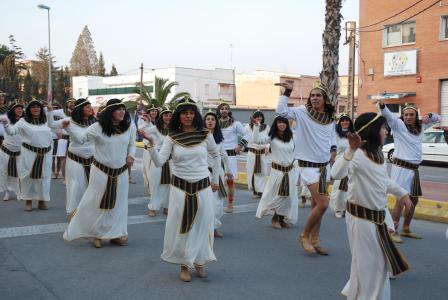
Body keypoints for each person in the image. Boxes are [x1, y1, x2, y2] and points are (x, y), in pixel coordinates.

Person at [331, 112, 412, 300]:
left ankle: (358, 293)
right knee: (371, 266)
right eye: (384, 128)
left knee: (376, 265)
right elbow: (335, 173)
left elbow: (383, 181)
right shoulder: (357, 155)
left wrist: (403, 194)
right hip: (360, 220)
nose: (386, 132)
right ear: (373, 130)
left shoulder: (377, 154)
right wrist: (350, 151)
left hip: (377, 217)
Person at [141, 97, 220, 282]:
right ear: (179, 115)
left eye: (191, 112)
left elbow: (216, 156)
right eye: (184, 113)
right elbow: (160, 161)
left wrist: (215, 179)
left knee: (203, 224)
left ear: (196, 114)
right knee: (182, 226)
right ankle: (184, 264)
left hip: (202, 186)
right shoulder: (172, 137)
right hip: (180, 188)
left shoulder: (205, 134)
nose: (188, 116)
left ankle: (200, 261)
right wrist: (152, 146)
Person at [62, 99, 136, 248]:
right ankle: (96, 233)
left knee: (119, 204)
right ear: (110, 112)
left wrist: (131, 155)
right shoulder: (97, 127)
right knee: (97, 202)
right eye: (118, 109)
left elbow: (132, 144)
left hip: (120, 172)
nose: (122, 112)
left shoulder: (129, 127)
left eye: (123, 109)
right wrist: (69, 128)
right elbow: (81, 139)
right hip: (101, 171)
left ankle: (115, 234)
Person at [276, 83, 337, 255]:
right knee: (324, 203)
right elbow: (281, 111)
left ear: (325, 99)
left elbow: (331, 138)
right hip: (307, 166)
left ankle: (315, 239)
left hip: (324, 166)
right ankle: (304, 236)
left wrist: (333, 152)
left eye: (318, 95)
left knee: (316, 205)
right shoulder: (302, 112)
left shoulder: (330, 118)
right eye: (312, 95)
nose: (315, 98)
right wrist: (287, 92)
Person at [379, 102, 441, 241]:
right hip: (401, 168)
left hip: (414, 170)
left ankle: (406, 228)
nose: (408, 117)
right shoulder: (398, 126)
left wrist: (429, 115)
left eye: (411, 114)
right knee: (401, 201)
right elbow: (388, 116)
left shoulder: (421, 126)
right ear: (403, 116)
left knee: (414, 200)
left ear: (416, 115)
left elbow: (439, 118)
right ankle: (392, 231)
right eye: (406, 114)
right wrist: (383, 106)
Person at [47, 98, 96, 221]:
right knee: (76, 187)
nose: (91, 109)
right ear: (80, 109)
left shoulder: (95, 122)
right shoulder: (69, 121)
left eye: (91, 106)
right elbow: (51, 125)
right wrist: (49, 112)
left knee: (91, 187)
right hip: (75, 159)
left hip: (93, 160)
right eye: (87, 107)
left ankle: (88, 213)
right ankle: (74, 213)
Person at [0, 100, 53, 211]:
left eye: (38, 107)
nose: (36, 109)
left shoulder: (46, 121)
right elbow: (12, 132)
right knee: (27, 177)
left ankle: (41, 201)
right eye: (33, 107)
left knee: (44, 177)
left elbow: (54, 127)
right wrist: (6, 124)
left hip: (46, 154)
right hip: (29, 153)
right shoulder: (23, 121)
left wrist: (50, 110)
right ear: (29, 109)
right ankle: (28, 201)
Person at [255, 115, 298, 228]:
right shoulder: (272, 137)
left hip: (290, 171)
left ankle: (282, 218)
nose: (281, 124)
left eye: (283, 122)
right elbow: (257, 140)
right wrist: (256, 127)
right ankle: (275, 217)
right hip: (277, 172)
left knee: (288, 196)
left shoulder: (292, 136)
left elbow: (297, 150)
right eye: (279, 123)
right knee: (277, 194)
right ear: (276, 124)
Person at [138, 106, 172, 217]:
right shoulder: (155, 128)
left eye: (170, 115)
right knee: (155, 184)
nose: (168, 117)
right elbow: (142, 131)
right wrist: (147, 123)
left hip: (171, 161)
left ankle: (167, 206)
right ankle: (153, 207)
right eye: (166, 115)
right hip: (157, 158)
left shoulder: (175, 129)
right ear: (162, 117)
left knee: (169, 184)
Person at [216, 102, 250, 212]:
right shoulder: (215, 123)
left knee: (230, 181)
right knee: (216, 180)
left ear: (229, 111)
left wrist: (240, 145)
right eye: (222, 109)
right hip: (217, 156)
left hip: (230, 156)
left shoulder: (236, 124)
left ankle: (230, 204)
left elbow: (247, 134)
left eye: (226, 108)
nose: (224, 110)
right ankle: (216, 205)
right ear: (219, 111)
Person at [203, 109, 232, 238]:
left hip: (217, 173)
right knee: (206, 201)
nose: (210, 121)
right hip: (204, 173)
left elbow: (224, 155)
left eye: (213, 119)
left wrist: (228, 171)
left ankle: (214, 227)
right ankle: (206, 228)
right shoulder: (200, 137)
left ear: (216, 122)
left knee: (218, 202)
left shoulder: (219, 139)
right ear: (204, 122)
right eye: (208, 119)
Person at [330, 114, 354, 218]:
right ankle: (338, 209)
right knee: (339, 188)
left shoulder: (354, 134)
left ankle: (346, 208)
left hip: (352, 163)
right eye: (343, 120)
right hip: (340, 162)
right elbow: (333, 148)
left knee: (350, 188)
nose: (345, 122)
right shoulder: (335, 134)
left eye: (347, 120)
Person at [0, 102, 23, 201]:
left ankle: (19, 192)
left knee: (20, 171)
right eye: (17, 108)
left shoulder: (24, 120)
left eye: (21, 109)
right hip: (6, 150)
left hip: (19, 150)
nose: (19, 110)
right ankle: (7, 192)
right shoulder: (6, 119)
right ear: (13, 110)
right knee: (4, 171)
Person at [245, 110, 270, 198]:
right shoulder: (248, 127)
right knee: (252, 172)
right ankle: (255, 191)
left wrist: (267, 146)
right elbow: (246, 138)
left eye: (260, 116)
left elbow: (269, 138)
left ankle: (261, 191)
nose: (259, 118)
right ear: (253, 118)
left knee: (262, 172)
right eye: (256, 116)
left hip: (262, 153)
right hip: (252, 153)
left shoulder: (266, 127)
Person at [140, 105, 160, 195]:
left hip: (156, 150)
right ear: (149, 112)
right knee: (145, 169)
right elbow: (140, 131)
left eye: (155, 111)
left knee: (153, 170)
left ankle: (153, 189)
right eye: (152, 111)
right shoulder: (144, 120)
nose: (154, 112)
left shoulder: (159, 122)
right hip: (147, 150)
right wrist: (147, 122)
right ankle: (149, 188)